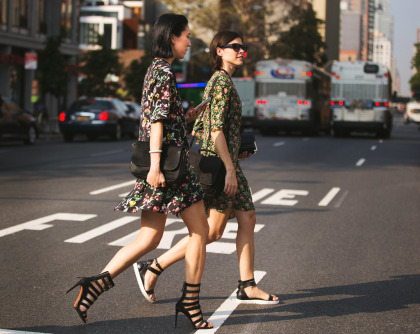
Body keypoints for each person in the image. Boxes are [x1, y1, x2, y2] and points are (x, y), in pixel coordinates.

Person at [66, 13, 213, 329]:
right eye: (186, 35)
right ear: (172, 37)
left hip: (164, 166)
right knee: (201, 230)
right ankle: (190, 303)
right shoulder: (163, 73)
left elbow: (167, 119)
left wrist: (191, 115)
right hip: (169, 169)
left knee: (149, 238)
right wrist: (156, 166)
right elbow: (156, 123)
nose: (189, 41)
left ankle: (95, 284)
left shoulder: (155, 71)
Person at [133, 31, 279, 306]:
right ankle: (153, 267)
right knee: (211, 232)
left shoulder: (223, 82)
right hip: (220, 167)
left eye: (243, 47)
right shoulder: (221, 83)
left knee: (248, 219)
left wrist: (236, 155)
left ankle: (247, 285)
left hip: (228, 162)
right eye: (235, 47)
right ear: (219, 51)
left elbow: (210, 125)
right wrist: (230, 169)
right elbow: (214, 132)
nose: (241, 51)